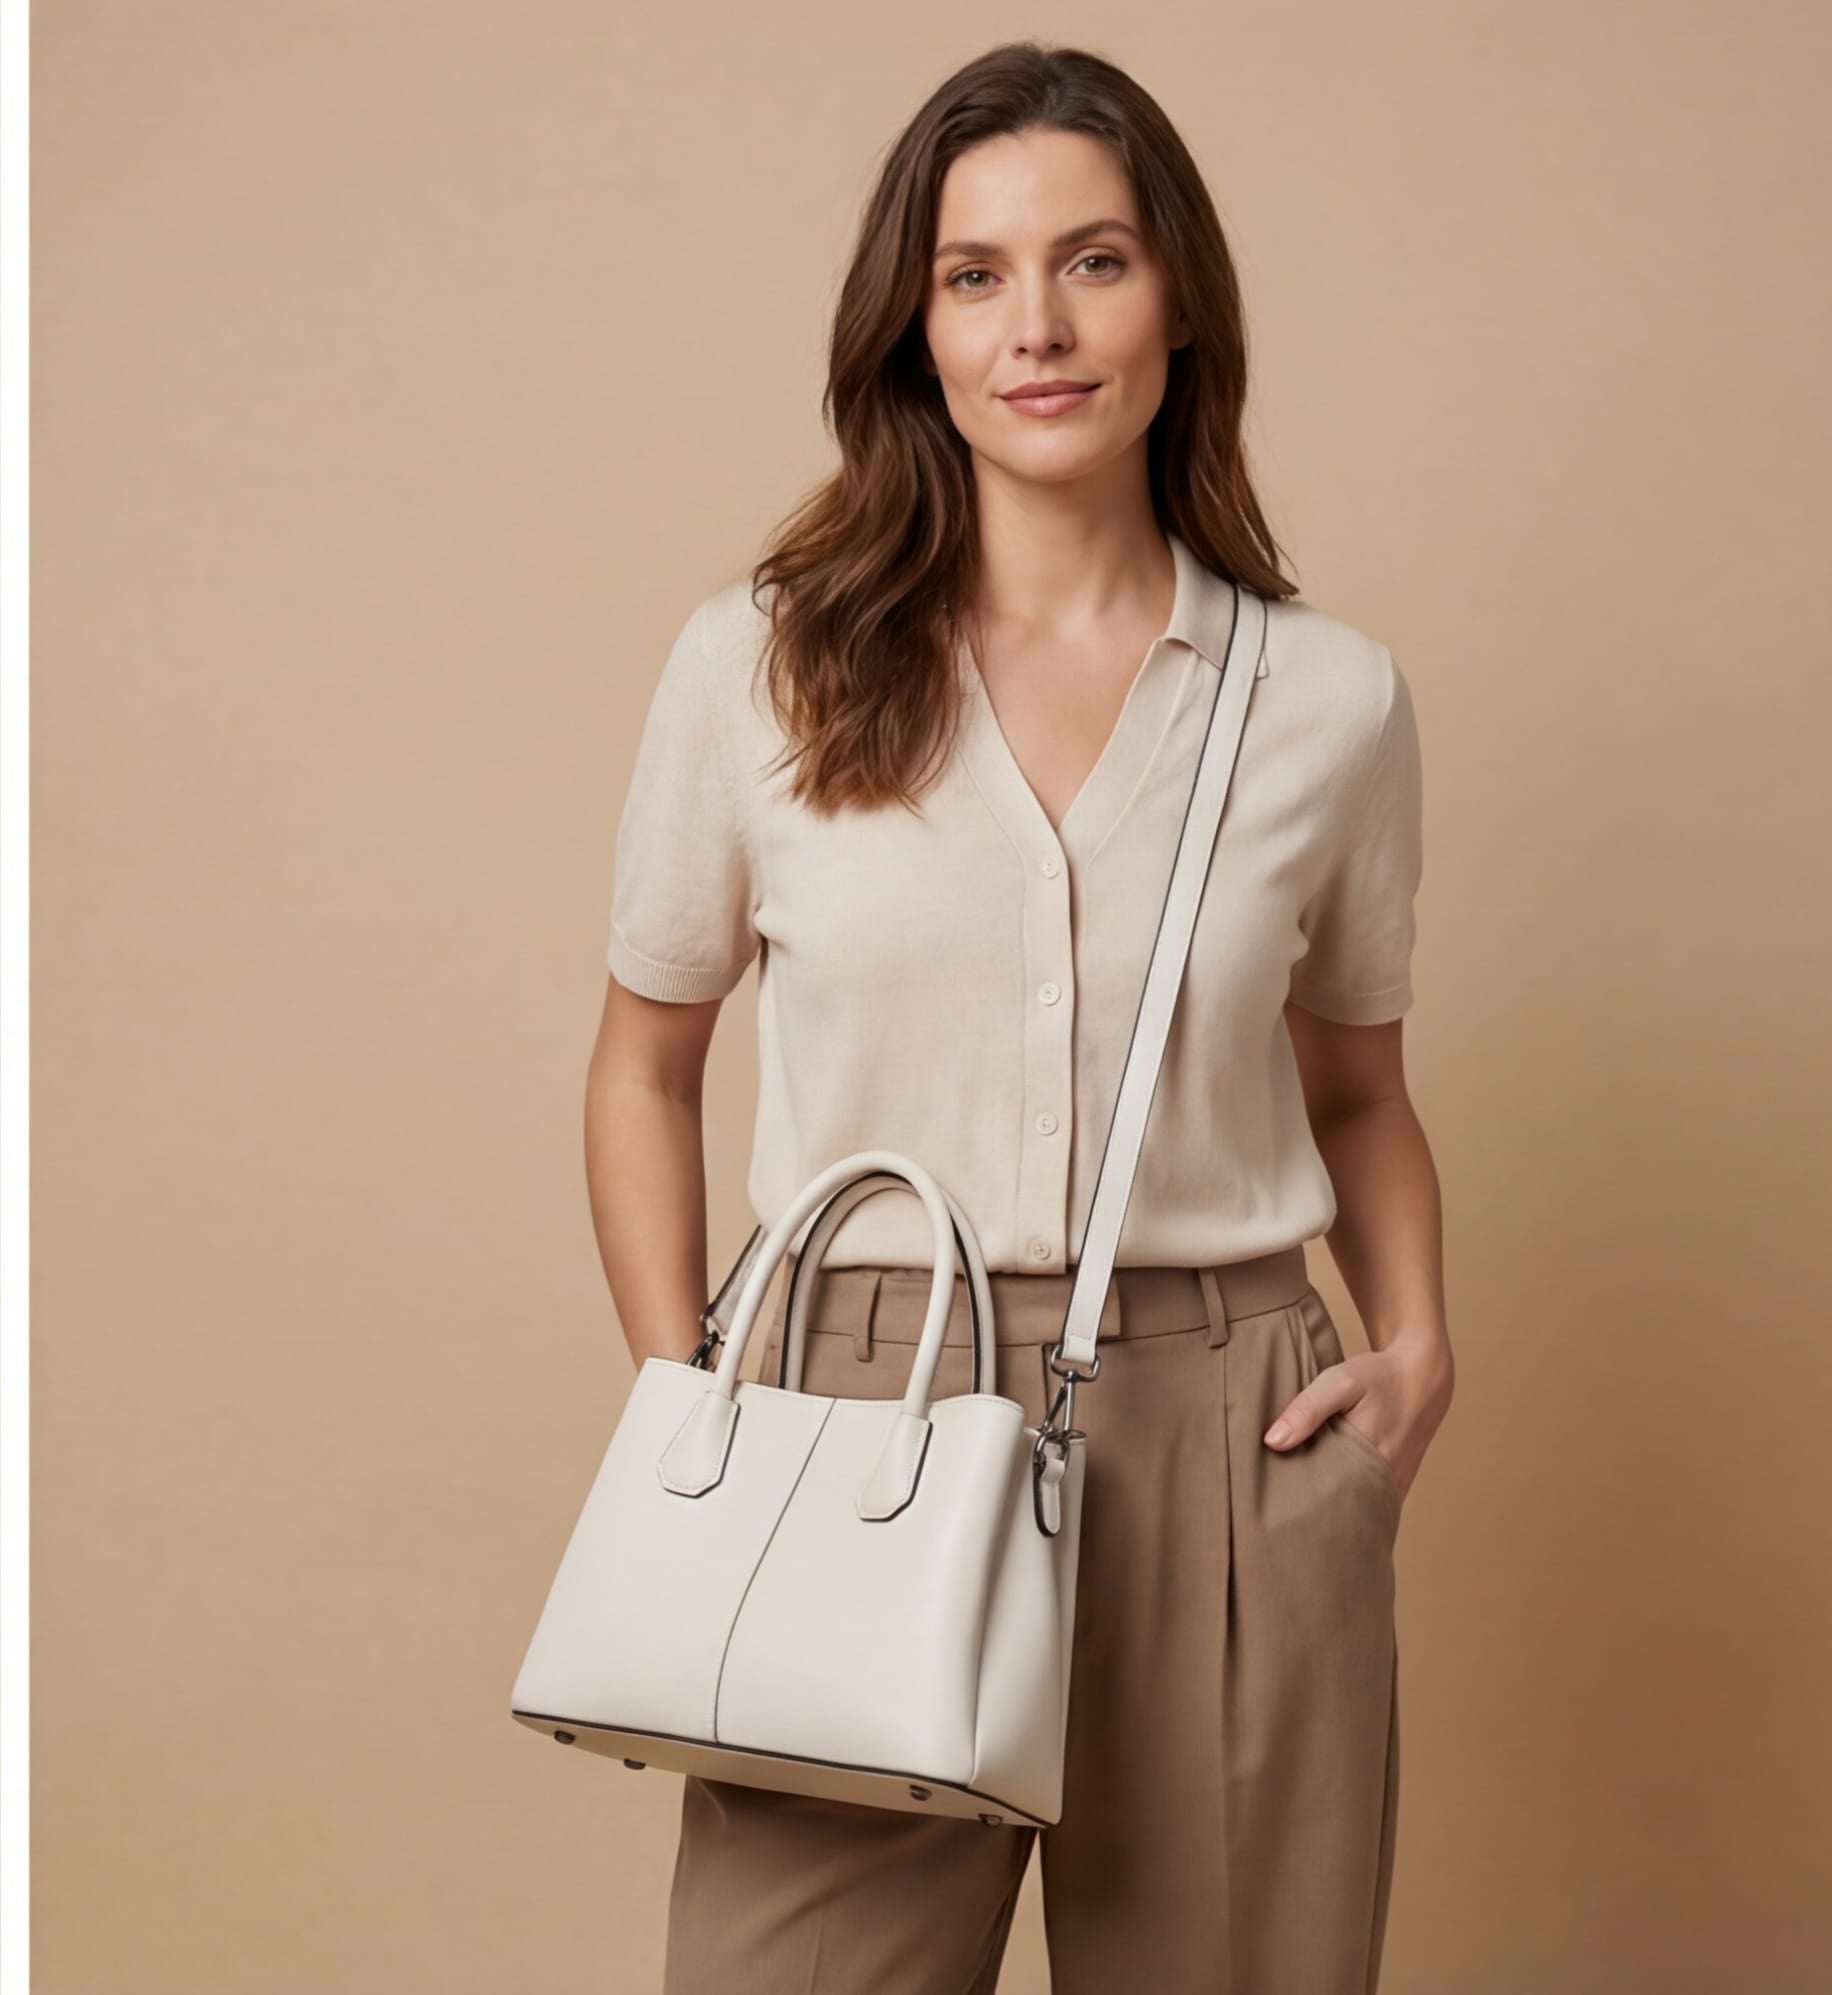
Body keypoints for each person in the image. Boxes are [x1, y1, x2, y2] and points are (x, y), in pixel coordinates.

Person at [584, 39, 1455, 1995]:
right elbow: (643, 1063)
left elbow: (1361, 1090)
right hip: (856, 1402)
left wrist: (1416, 1348)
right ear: (916, 328)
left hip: (1231, 1423)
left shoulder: (1326, 701)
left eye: (1094, 262)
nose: (1035, 327)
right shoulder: (759, 670)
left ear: (1178, 303)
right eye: (974, 275)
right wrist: (684, 1400)